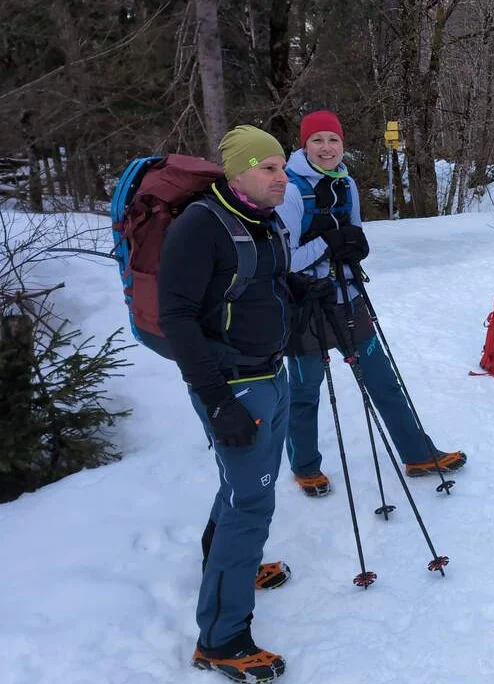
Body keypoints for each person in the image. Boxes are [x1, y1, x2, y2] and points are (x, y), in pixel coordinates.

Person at [158, 125, 297, 682]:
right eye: (269, 168)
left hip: (271, 374)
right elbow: (177, 319)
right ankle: (221, 640)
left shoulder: (264, 220)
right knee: (252, 505)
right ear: (237, 172)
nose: (281, 177)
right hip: (233, 384)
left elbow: (262, 288)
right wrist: (218, 401)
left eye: (283, 167)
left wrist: (305, 295)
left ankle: (227, 566)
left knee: (240, 489)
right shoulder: (200, 226)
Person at [278, 110, 466, 492]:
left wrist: (353, 246)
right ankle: (304, 466)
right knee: (304, 390)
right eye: (317, 140)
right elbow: (286, 258)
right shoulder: (291, 190)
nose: (326, 148)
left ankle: (416, 453)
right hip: (306, 306)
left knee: (383, 379)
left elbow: (356, 234)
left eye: (333, 140)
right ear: (304, 144)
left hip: (347, 296)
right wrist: (329, 241)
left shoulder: (346, 183)